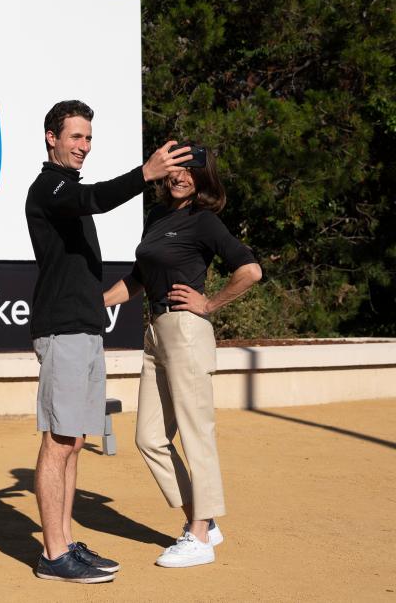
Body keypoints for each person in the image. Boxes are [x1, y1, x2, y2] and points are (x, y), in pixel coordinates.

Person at [25, 100, 191, 583]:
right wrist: (145, 173)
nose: (84, 146)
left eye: (89, 138)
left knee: (74, 440)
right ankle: (54, 555)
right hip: (62, 327)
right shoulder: (49, 187)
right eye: (76, 136)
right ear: (52, 138)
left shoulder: (67, 188)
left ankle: (65, 542)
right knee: (58, 440)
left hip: (84, 326)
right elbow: (94, 198)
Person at [103, 142, 261, 569]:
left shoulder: (203, 220)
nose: (179, 175)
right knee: (149, 439)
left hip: (187, 332)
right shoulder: (157, 217)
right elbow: (138, 278)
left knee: (195, 434)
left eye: (190, 170)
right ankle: (202, 520)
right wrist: (97, 303)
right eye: (176, 167)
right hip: (156, 333)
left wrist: (209, 304)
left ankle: (199, 536)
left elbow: (250, 270)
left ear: (202, 179)